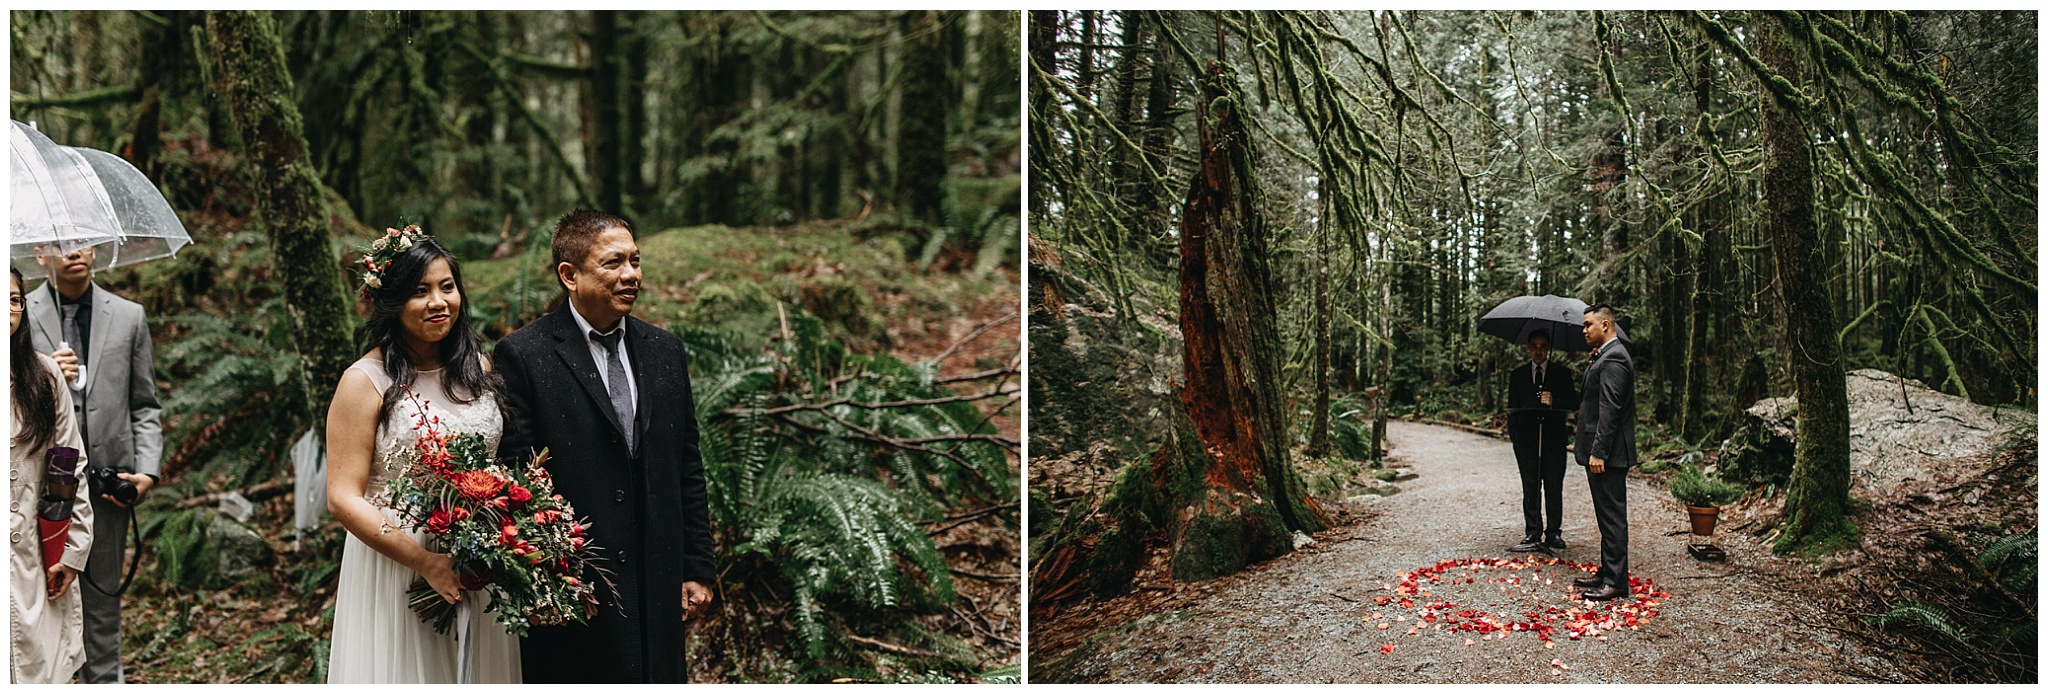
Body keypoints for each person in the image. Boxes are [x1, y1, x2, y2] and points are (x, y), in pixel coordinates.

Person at [495, 211, 715, 683]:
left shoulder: (665, 350)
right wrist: (542, 580)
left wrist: (697, 567)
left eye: (635, 260)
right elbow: (517, 478)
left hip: (658, 584)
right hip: (579, 589)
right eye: (614, 263)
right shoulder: (524, 355)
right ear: (569, 275)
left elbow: (686, 465)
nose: (632, 275)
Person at [324, 228, 521, 683]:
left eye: (447, 287)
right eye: (420, 291)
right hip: (397, 561)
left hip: (477, 551)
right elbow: (342, 497)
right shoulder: (364, 381)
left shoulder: (479, 366)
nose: (439, 302)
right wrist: (423, 561)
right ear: (391, 302)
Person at [23, 246, 159, 683]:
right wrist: (46, 377)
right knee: (42, 602)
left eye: (85, 240)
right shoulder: (16, 310)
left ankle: (105, 682)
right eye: (63, 243)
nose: (76, 250)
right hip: (39, 489)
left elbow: (145, 403)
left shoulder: (129, 316)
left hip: (108, 485)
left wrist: (148, 470)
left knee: (103, 607)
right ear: (41, 253)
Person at [11, 266, 96, 684]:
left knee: (41, 669)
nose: (7, 309)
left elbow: (69, 464)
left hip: (35, 556)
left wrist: (71, 551)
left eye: (13, 299)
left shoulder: (43, 377)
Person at [1573, 304, 1636, 601]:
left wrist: (1599, 452)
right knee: (1605, 516)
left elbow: (1609, 410)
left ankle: (1616, 581)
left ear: (1606, 325)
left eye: (1588, 325)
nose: (1584, 330)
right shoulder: (1605, 356)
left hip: (1608, 454)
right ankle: (1608, 571)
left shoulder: (1615, 359)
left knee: (1612, 517)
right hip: (1601, 452)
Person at [1505, 331, 1577, 554]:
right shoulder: (1517, 375)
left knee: (1554, 486)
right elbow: (1511, 409)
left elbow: (1575, 403)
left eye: (1543, 346)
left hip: (1554, 440)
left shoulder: (1562, 374)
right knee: (1531, 485)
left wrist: (1554, 401)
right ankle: (1532, 531)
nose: (1538, 350)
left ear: (1548, 348)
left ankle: (1553, 532)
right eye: (1534, 346)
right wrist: (1516, 438)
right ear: (1528, 347)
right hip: (1526, 440)